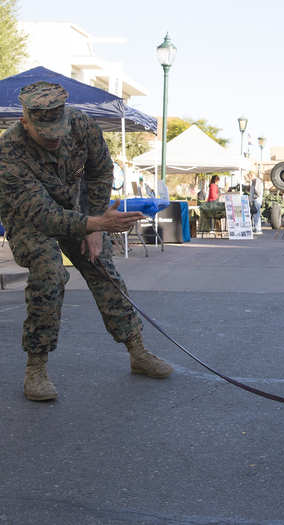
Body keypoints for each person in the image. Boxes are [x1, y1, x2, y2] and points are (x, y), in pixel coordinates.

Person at [0, 81, 174, 402]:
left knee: (103, 268)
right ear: (25, 121)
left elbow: (101, 171)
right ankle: (36, 368)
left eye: (58, 128)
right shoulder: (9, 151)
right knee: (49, 275)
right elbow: (43, 215)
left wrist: (95, 226)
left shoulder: (81, 124)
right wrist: (96, 222)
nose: (55, 137)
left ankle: (137, 350)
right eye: (45, 132)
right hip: (31, 219)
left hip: (78, 207)